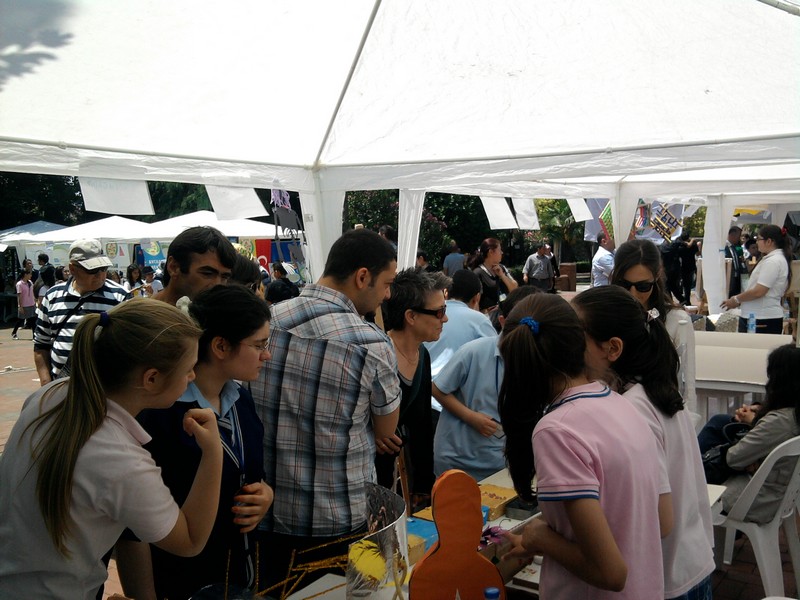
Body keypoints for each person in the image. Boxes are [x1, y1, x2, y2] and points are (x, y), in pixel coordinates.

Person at [0, 300, 222, 600]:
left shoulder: (50, 395)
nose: (192, 377)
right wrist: (214, 453)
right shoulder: (122, 460)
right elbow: (190, 540)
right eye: (188, 370)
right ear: (152, 379)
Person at [250, 228, 401, 589]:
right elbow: (386, 430)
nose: (388, 294)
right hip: (339, 520)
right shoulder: (371, 343)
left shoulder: (265, 322)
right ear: (362, 277)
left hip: (265, 515)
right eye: (386, 283)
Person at [499, 293, 670, 600]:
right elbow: (620, 512)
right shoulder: (620, 403)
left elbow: (611, 573)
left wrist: (540, 538)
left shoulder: (557, 430)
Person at [122, 286, 274, 600]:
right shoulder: (162, 414)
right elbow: (132, 529)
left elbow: (249, 472)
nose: (266, 355)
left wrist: (265, 494)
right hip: (180, 583)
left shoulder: (240, 400)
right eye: (259, 345)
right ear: (220, 346)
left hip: (238, 576)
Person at [573, 285, 714, 599]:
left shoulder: (632, 407)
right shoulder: (651, 389)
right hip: (690, 562)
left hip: (666, 576)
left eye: (575, 338)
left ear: (612, 348)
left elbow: (659, 521)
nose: (568, 348)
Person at [432, 286, 538, 481]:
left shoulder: (539, 360)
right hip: (458, 461)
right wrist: (471, 417)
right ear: (502, 321)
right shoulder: (474, 351)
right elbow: (437, 389)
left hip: (501, 463)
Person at [703, 345, 800, 523]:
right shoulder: (793, 414)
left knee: (714, 439)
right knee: (721, 423)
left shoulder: (779, 422)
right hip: (774, 491)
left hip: (753, 497)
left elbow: (733, 458)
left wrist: (749, 457)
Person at [377, 268, 446, 502]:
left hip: (398, 480)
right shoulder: (379, 355)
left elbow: (422, 425)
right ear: (411, 316)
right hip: (369, 477)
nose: (445, 319)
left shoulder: (422, 354)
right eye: (439, 312)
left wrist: (424, 486)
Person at [611, 239, 698, 419]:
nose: (633, 294)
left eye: (643, 286)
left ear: (657, 275)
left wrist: (687, 424)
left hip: (659, 418)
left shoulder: (677, 320)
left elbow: (687, 385)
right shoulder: (604, 315)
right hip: (612, 416)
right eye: (625, 285)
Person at [33, 239, 131, 385]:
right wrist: (46, 385)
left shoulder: (121, 297)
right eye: (93, 270)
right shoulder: (52, 296)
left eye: (103, 268)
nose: (100, 275)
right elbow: (41, 344)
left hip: (105, 388)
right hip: (61, 387)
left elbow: (130, 348)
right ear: (72, 269)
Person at [720, 224, 792, 334]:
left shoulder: (773, 261)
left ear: (769, 241)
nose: (756, 242)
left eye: (758, 239)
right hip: (759, 316)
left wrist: (736, 300)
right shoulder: (773, 259)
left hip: (762, 317)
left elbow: (759, 291)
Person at [152, 226, 236, 306]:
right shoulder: (146, 314)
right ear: (174, 267)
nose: (217, 284)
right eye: (207, 274)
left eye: (224, 277)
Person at [470, 237, 518, 313]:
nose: (502, 253)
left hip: (506, 314)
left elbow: (515, 289)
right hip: (489, 317)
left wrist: (502, 275)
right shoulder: (478, 273)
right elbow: (474, 301)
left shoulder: (502, 268)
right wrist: (483, 312)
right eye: (500, 250)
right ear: (491, 252)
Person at [12, 268, 36, 340]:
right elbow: (19, 296)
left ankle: (34, 336)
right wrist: (20, 306)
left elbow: (32, 292)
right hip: (24, 305)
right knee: (20, 320)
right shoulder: (19, 284)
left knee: (33, 320)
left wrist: (35, 301)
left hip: (31, 304)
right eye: (30, 274)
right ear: (25, 274)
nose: (31, 275)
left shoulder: (30, 282)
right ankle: (14, 333)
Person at [677, 233, 700, 306]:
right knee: (688, 285)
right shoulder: (693, 245)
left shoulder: (680, 247)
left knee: (682, 283)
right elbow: (698, 254)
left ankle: (683, 299)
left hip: (683, 267)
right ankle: (687, 300)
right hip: (691, 267)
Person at [724, 226, 746, 298]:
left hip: (736, 280)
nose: (739, 239)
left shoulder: (734, 247)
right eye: (739, 236)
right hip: (728, 280)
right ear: (732, 235)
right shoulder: (723, 247)